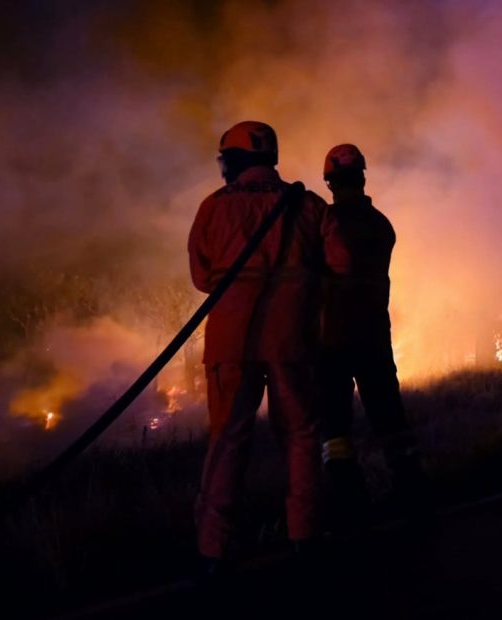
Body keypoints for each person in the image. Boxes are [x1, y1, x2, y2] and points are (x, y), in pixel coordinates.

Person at [187, 121, 349, 578]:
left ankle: (213, 551)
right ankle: (305, 537)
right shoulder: (309, 205)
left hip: (230, 343)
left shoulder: (213, 208)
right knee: (299, 436)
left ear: (234, 161)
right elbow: (343, 263)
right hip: (291, 341)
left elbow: (202, 279)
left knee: (227, 439)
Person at [319, 144, 426, 527]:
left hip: (331, 340)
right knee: (389, 419)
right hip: (374, 338)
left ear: (329, 181)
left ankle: (351, 504)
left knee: (334, 428)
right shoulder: (382, 225)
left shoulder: (324, 224)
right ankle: (411, 491)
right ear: (362, 177)